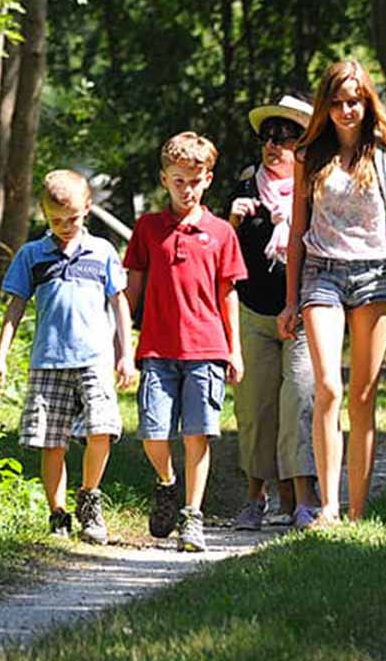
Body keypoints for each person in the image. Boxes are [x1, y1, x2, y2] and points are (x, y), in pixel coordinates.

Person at [278, 59, 386, 528]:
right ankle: (328, 506)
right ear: (325, 105)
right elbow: (297, 230)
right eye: (339, 102)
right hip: (322, 271)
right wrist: (290, 300)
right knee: (327, 387)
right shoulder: (309, 155)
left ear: (367, 102)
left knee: (363, 396)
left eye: (355, 101)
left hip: (375, 275)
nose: (347, 110)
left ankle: (359, 512)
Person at [0, 170, 139, 544]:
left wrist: (127, 354)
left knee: (101, 430)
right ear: (43, 214)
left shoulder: (102, 252)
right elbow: (15, 307)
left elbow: (119, 302)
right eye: (55, 220)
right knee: (50, 440)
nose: (65, 227)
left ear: (87, 208)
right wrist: (1, 357)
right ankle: (57, 514)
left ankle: (89, 499)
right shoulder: (33, 255)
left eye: (71, 219)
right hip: (49, 361)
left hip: (95, 359)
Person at [123, 132, 247, 552]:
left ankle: (192, 516)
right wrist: (122, 342)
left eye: (194, 181)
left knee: (198, 434)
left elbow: (228, 293)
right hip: (157, 348)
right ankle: (167, 484)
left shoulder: (221, 233)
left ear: (208, 179)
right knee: (152, 433)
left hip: (206, 348)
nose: (186, 188)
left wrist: (235, 348)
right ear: (164, 179)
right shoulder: (148, 229)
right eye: (178, 180)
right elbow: (132, 290)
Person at [227, 94, 320, 528]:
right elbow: (221, 254)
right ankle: (255, 498)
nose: (274, 145)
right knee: (255, 408)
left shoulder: (316, 188)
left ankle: (303, 500)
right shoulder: (246, 187)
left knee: (299, 401)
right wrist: (231, 222)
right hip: (252, 311)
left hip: (303, 313)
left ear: (304, 143)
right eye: (268, 136)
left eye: (285, 137)